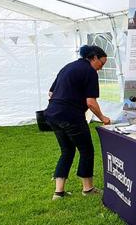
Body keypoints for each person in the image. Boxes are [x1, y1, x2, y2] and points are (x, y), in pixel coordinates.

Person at [45, 45, 111, 200]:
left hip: (52, 113)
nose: (100, 69)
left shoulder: (68, 66)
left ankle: (58, 192)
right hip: (71, 116)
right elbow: (90, 102)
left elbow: (51, 92)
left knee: (67, 151)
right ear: (93, 57)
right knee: (86, 150)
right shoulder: (90, 72)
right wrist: (103, 118)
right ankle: (88, 189)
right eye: (101, 64)